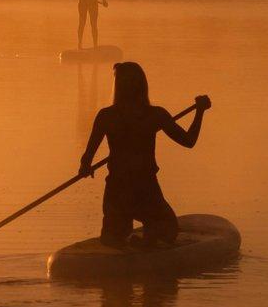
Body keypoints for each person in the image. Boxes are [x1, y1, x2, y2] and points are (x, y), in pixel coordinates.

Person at [78, 62, 210, 249]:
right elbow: (189, 141)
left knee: (113, 237)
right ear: (142, 86)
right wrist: (200, 111)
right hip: (145, 190)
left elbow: (86, 161)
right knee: (169, 230)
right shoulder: (155, 115)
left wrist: (86, 168)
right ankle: (148, 238)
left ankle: (119, 236)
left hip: (117, 190)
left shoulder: (106, 116)